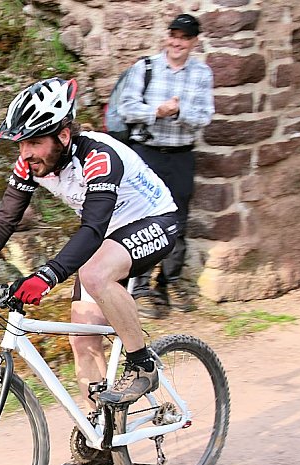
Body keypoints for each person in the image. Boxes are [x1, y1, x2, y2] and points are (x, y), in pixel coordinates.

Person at [0, 78, 179, 465]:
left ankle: (143, 365)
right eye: (20, 144)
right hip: (108, 235)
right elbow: (5, 219)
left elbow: (93, 226)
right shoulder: (32, 162)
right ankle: (101, 435)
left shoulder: (99, 157)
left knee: (95, 273)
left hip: (153, 221)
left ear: (63, 135)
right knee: (83, 338)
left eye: (33, 142)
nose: (25, 153)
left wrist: (47, 275)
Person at [119, 13, 214, 318]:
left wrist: (178, 112)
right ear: (167, 37)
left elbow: (204, 117)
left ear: (194, 42)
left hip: (181, 154)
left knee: (178, 219)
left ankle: (169, 281)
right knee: (143, 220)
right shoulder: (145, 67)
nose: (177, 42)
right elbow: (127, 108)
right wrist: (156, 112)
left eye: (184, 37)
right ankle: (141, 286)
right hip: (147, 153)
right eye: (174, 35)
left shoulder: (201, 74)